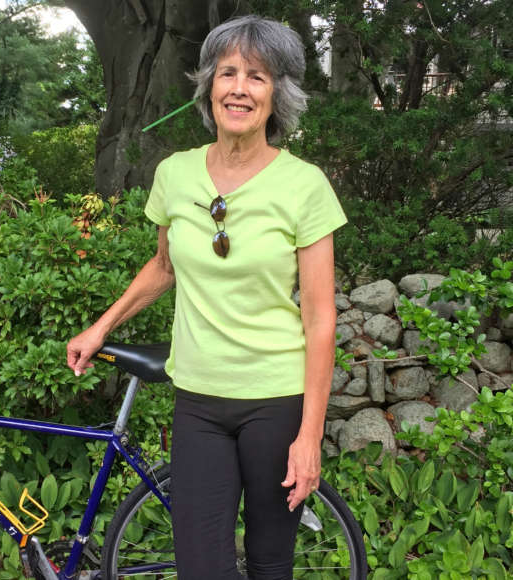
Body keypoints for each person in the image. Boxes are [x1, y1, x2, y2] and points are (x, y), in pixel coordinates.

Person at [67, 14, 347, 580]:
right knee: (201, 566)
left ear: (278, 95)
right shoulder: (175, 173)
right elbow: (164, 265)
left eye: (257, 77)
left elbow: (320, 319)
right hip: (196, 400)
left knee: (270, 564)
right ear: (209, 86)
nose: (239, 88)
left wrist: (309, 437)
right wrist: (101, 327)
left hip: (276, 400)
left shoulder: (305, 186)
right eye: (227, 73)